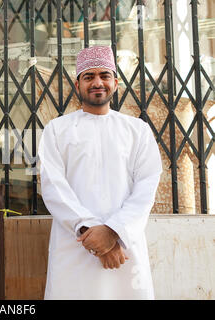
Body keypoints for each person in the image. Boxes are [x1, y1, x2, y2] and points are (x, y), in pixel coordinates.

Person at [38, 46, 162, 299]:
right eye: (89, 76)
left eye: (104, 75)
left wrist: (114, 231)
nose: (97, 82)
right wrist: (92, 233)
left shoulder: (137, 130)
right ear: (78, 85)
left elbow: (147, 186)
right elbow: (53, 186)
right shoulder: (57, 130)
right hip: (76, 245)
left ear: (115, 83)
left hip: (124, 247)